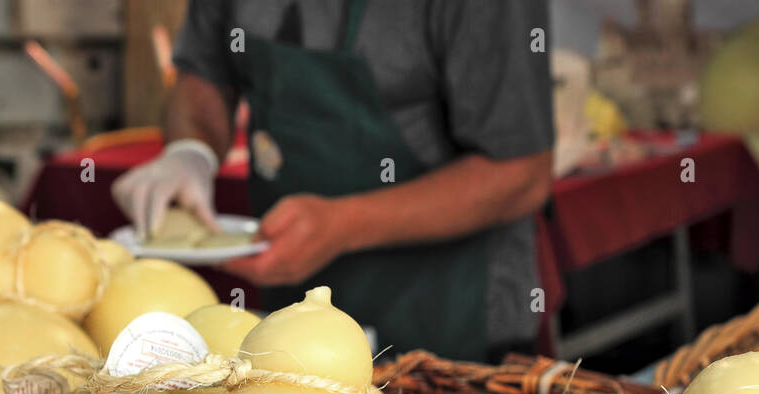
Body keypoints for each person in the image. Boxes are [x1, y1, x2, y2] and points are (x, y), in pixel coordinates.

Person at [112, 0, 554, 361]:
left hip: (449, 324)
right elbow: (205, 72)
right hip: (292, 326)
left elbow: (521, 173)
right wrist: (191, 151)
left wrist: (342, 225)